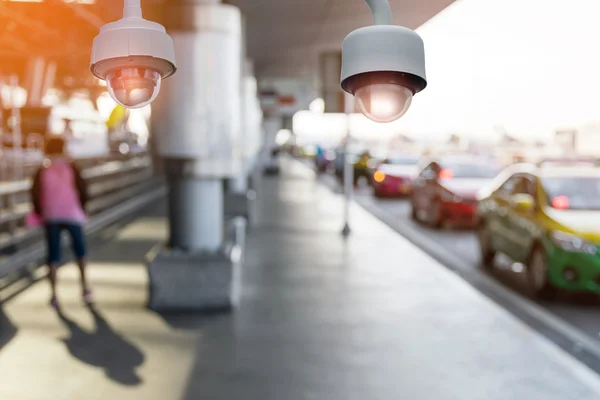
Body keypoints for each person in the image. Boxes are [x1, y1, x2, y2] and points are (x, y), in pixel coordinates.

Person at [31, 136, 91, 309]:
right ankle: (85, 288)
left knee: (53, 256)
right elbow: (83, 189)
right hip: (73, 214)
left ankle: (54, 295)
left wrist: (39, 213)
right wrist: (83, 209)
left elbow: (35, 193)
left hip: (51, 216)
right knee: (80, 252)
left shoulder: (42, 170)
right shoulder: (71, 167)